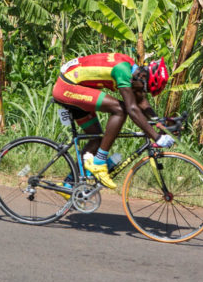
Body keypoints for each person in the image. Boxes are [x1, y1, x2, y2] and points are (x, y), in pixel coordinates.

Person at [52, 53, 174, 189]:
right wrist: (156, 137)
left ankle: (68, 184)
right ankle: (99, 162)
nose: (142, 91)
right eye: (144, 88)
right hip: (66, 87)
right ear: (143, 77)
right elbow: (132, 109)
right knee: (120, 109)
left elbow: (141, 102)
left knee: (97, 139)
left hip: (77, 86)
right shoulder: (122, 71)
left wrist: (159, 124)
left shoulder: (134, 73)